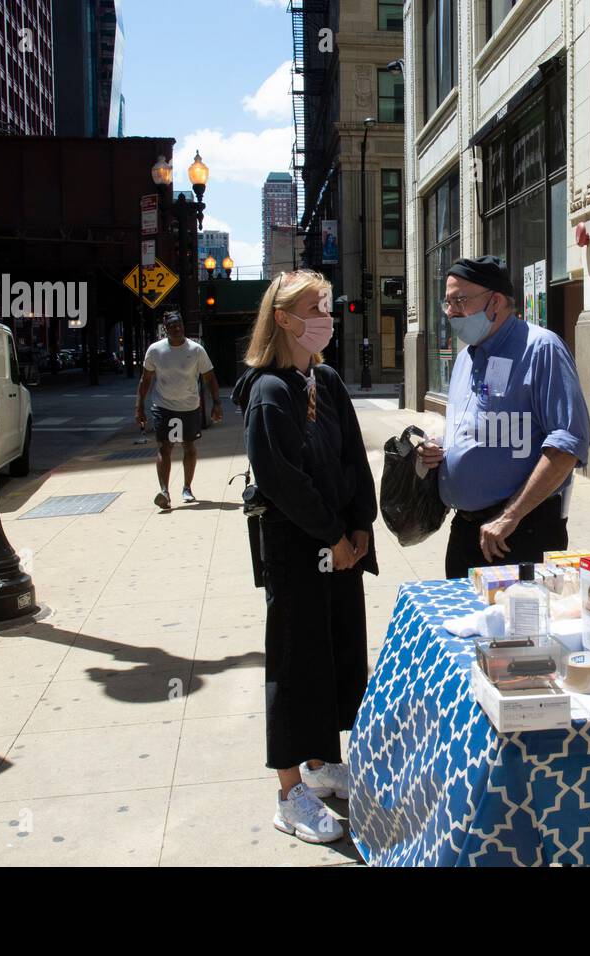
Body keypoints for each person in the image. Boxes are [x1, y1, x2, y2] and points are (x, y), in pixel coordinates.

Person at [235, 269, 378, 844]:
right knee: (295, 668)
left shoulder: (326, 380)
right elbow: (284, 481)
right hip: (299, 554)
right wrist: (331, 536)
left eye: (326, 304)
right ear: (283, 319)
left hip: (340, 549)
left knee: (336, 656)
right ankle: (289, 790)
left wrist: (360, 524)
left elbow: (351, 456)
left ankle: (321, 765)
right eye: (312, 307)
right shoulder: (269, 392)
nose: (324, 314)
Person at [418, 256, 590, 579]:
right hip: (467, 529)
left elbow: (568, 443)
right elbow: (476, 428)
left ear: (495, 302)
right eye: (447, 302)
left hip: (518, 532)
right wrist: (439, 447)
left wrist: (510, 517)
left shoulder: (541, 349)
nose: (450, 311)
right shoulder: (464, 358)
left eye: (459, 301)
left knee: (517, 628)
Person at [135, 311, 222, 510]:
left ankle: (187, 487)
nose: (176, 329)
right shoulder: (155, 350)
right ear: (165, 328)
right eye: (172, 326)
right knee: (165, 447)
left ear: (183, 326)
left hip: (189, 407)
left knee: (188, 446)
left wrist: (217, 403)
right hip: (163, 406)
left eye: (179, 325)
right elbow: (145, 379)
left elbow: (209, 377)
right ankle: (164, 492)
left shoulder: (196, 350)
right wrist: (139, 406)